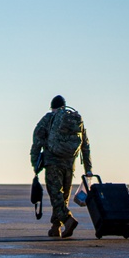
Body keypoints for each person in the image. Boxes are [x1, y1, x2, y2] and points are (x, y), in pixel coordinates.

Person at [30, 95, 92, 239]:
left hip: (53, 162)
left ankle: (68, 220)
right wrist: (88, 168)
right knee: (63, 197)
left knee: (55, 195)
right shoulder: (75, 120)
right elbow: (85, 144)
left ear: (53, 107)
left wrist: (35, 164)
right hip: (70, 164)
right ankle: (55, 227)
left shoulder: (48, 118)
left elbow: (37, 140)